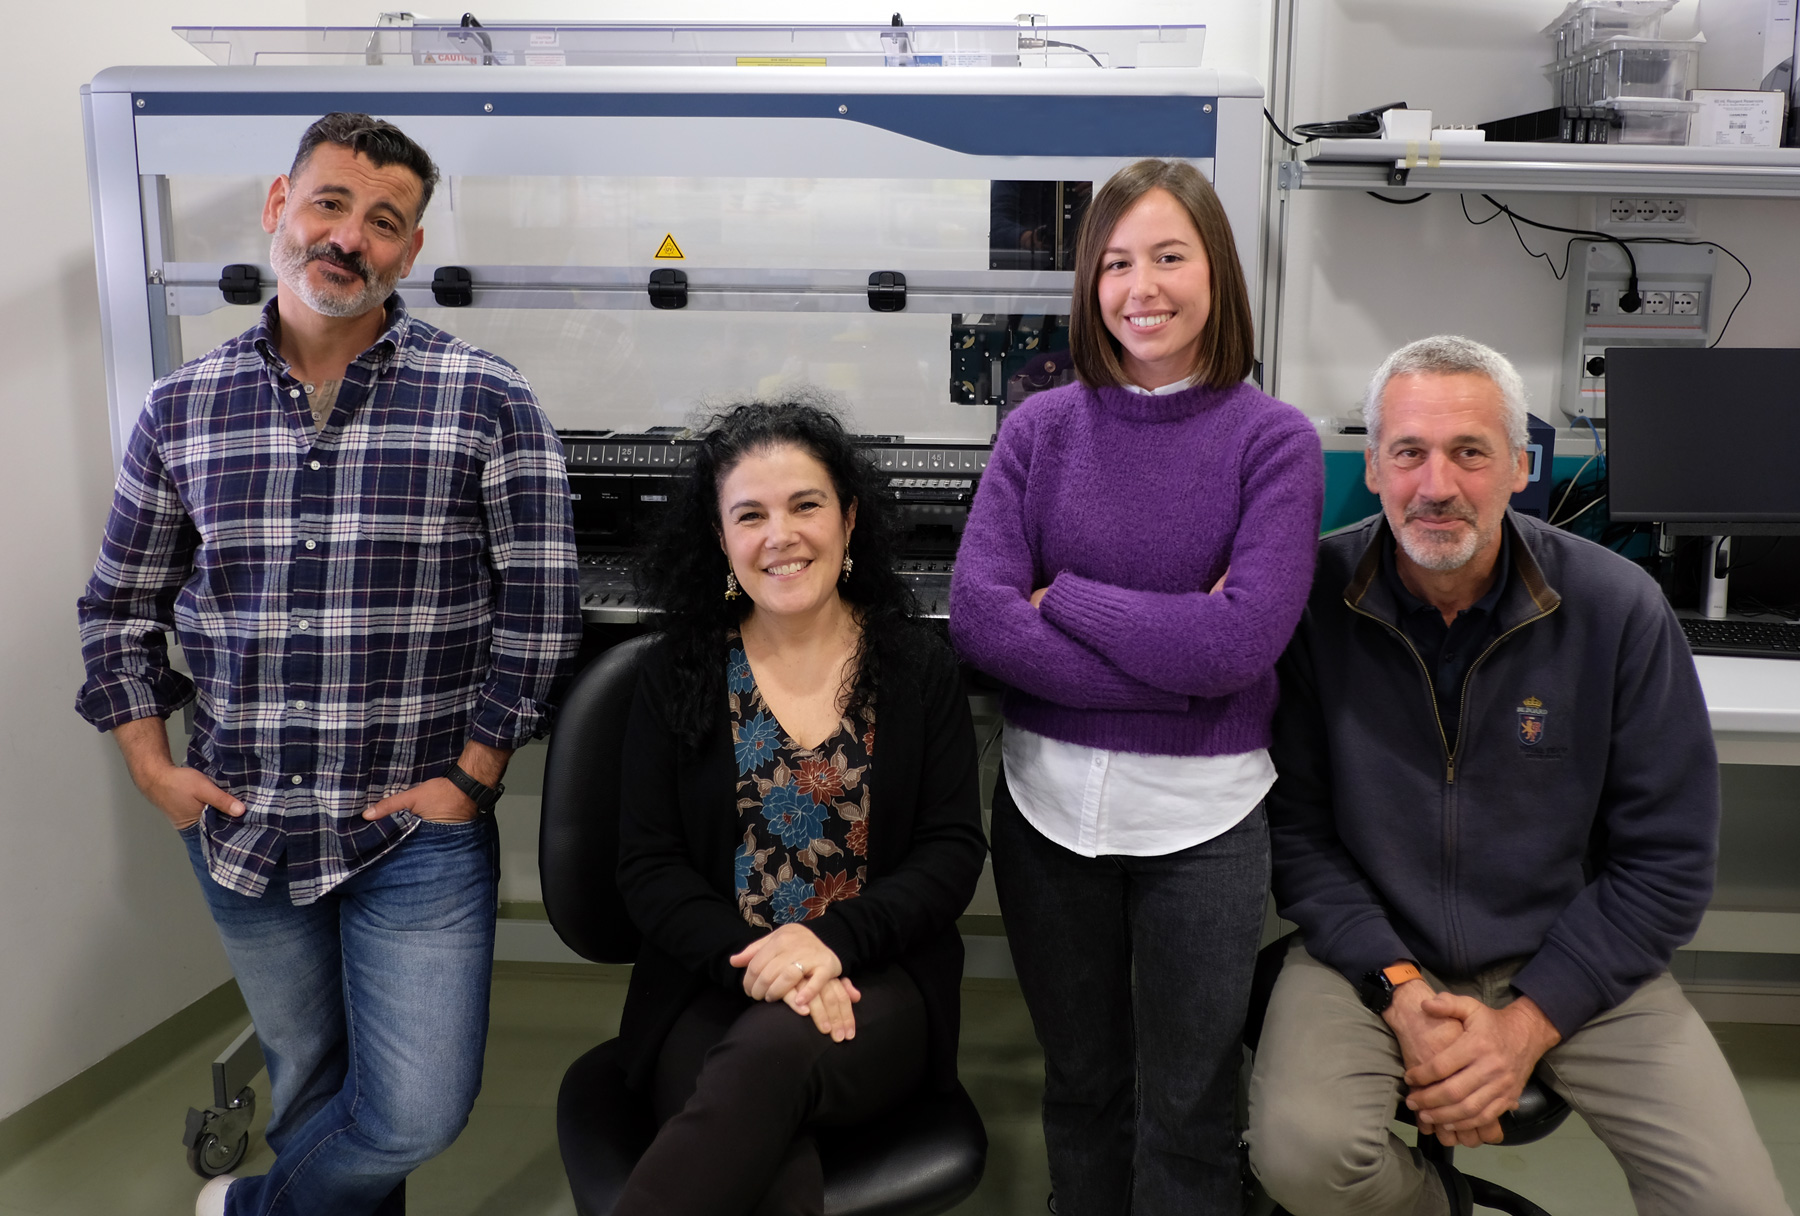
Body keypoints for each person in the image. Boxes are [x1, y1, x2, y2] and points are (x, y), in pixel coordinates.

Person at [74, 113, 581, 1216]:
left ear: (409, 248)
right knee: (312, 1091)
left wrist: (475, 776)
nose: (351, 237)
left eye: (384, 221)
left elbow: (542, 612)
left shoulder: (485, 398)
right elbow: (117, 609)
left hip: (415, 826)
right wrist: (151, 767)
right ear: (279, 206)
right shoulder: (183, 408)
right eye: (332, 203)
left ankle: (247, 1211)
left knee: (415, 1111)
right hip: (242, 819)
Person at [1247, 335, 1793, 1216]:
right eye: (1409, 453)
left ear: (1518, 466)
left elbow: (1669, 863)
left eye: (1469, 453)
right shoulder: (1312, 600)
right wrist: (1401, 989)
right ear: (1376, 468)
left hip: (1571, 952)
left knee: (1735, 1203)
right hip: (1371, 954)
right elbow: (1297, 836)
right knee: (1306, 1156)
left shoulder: (1617, 606)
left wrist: (1525, 1027)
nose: (1436, 486)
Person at [948, 158, 1325, 1214]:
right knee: (1081, 1090)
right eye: (1115, 262)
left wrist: (1061, 597)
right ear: (1088, 283)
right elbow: (981, 617)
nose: (1140, 286)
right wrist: (1180, 670)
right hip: (1045, 813)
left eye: (1168, 255)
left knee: (1192, 1107)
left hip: (1203, 828)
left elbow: (1240, 641)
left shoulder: (1272, 442)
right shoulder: (1040, 429)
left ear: (1218, 272)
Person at [611, 401, 987, 1215]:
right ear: (720, 538)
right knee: (767, 1161)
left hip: (874, 987)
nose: (779, 535)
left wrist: (827, 945)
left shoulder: (917, 669)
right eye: (750, 515)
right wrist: (763, 965)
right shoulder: (678, 671)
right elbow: (649, 868)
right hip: (713, 980)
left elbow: (950, 853)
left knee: (762, 1065)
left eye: (805, 505)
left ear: (849, 519)